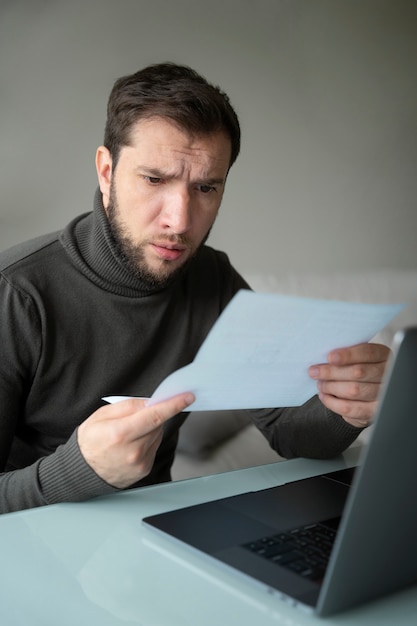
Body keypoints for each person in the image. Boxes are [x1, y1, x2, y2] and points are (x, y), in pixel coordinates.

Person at [0, 62, 389, 514]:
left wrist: (348, 411)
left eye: (205, 188)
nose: (180, 222)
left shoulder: (212, 278)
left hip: (155, 539)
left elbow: (288, 431)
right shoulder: (15, 294)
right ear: (106, 171)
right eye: (154, 179)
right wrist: (77, 471)